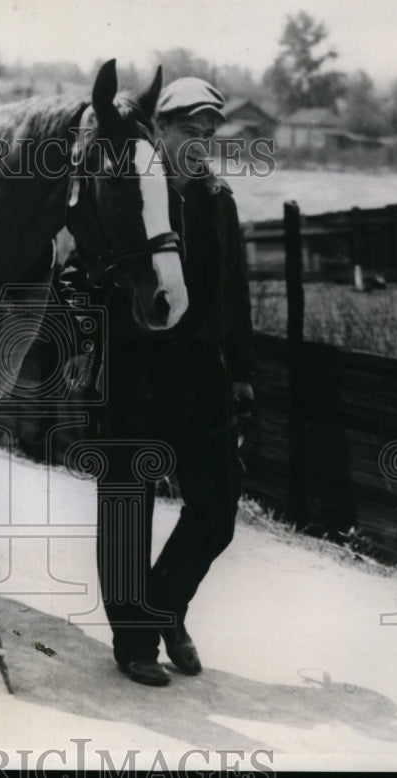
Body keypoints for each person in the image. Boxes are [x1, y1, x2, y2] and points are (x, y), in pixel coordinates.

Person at [61, 77, 255, 686]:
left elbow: (234, 291)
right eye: (188, 129)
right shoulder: (125, 189)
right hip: (134, 370)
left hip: (201, 371)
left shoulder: (218, 199)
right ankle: (134, 642)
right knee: (127, 505)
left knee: (218, 508)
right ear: (160, 132)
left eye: (210, 130)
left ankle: (166, 608)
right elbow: (77, 268)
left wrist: (242, 372)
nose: (201, 140)